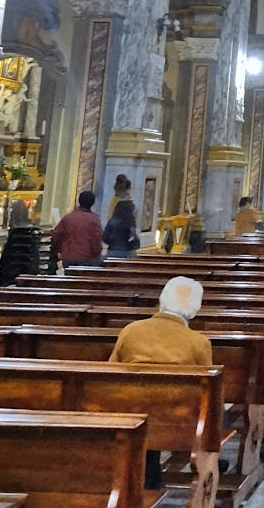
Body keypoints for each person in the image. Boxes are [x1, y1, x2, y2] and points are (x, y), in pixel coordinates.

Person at [109, 277, 214, 489]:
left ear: (162, 300)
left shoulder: (131, 330)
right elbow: (207, 389)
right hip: (175, 419)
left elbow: (111, 372)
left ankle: (146, 481)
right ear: (196, 308)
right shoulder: (198, 343)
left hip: (129, 414)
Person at [50, 190, 103, 269]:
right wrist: (96, 255)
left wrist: (60, 250)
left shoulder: (68, 217)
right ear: (92, 203)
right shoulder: (94, 220)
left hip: (68, 257)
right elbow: (96, 240)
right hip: (87, 258)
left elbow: (56, 235)